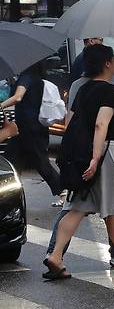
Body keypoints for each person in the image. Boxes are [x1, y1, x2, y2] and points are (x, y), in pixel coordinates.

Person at [44, 44, 114, 279]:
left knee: (76, 208)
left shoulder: (84, 90)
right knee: (113, 209)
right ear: (107, 63)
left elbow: (72, 122)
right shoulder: (107, 91)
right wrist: (95, 158)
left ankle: (55, 255)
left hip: (81, 153)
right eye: (113, 60)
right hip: (103, 154)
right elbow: (101, 124)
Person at [1, 61, 63, 205]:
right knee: (12, 161)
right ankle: (10, 194)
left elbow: (18, 97)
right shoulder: (36, 77)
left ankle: (63, 190)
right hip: (30, 127)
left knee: (40, 162)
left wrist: (1, 105)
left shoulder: (26, 77)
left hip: (28, 128)